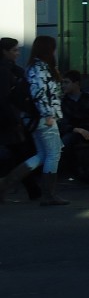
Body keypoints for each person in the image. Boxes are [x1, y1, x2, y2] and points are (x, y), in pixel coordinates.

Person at [0, 35, 68, 205]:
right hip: (44, 118)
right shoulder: (40, 68)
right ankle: (48, 195)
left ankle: (6, 183)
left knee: (43, 154)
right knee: (53, 154)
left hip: (37, 118)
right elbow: (40, 94)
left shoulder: (35, 67)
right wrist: (48, 115)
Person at [0, 38, 41, 203]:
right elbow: (4, 98)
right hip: (7, 120)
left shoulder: (11, 69)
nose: (18, 53)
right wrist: (13, 119)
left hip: (10, 119)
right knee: (19, 153)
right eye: (14, 50)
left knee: (19, 154)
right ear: (5, 51)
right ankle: (33, 190)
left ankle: (33, 190)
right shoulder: (5, 70)